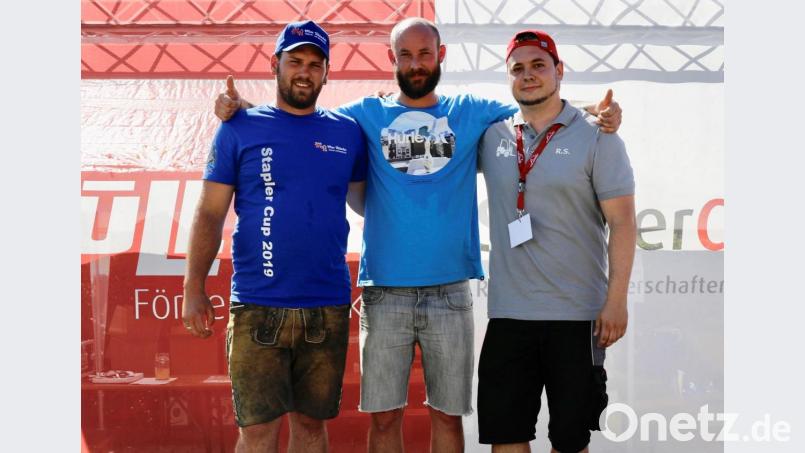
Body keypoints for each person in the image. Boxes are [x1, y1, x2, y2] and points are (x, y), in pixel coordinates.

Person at [214, 18, 622, 453]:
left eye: (425, 53)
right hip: (385, 291)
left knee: (447, 417)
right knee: (385, 419)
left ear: (440, 55)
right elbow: (301, 113)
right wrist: (239, 108)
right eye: (405, 55)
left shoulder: (472, 111)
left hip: (450, 291)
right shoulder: (361, 116)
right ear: (392, 59)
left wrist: (595, 111)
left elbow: (539, 105)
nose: (416, 63)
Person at [181, 20, 368, 453]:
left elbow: (369, 202)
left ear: (327, 72)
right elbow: (209, 213)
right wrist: (193, 286)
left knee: (310, 429)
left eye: (315, 64)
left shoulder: (347, 132)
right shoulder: (238, 127)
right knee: (257, 434)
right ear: (275, 65)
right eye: (295, 61)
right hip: (256, 306)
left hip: (326, 307)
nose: (304, 71)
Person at [476, 30, 637, 453]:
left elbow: (622, 222)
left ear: (559, 71)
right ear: (508, 77)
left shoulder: (598, 135)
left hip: (576, 316)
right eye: (518, 69)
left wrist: (616, 300)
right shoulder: (491, 135)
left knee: (570, 441)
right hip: (509, 313)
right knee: (506, 438)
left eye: (538, 66)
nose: (528, 76)